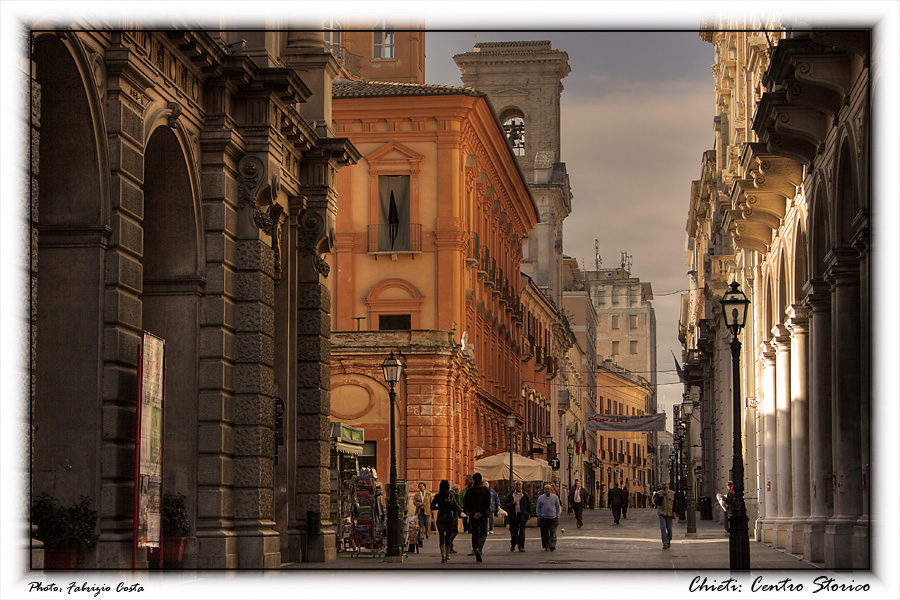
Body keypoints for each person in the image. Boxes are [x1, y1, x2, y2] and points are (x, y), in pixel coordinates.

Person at [462, 472, 492, 562]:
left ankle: (475, 548)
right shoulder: (485, 490)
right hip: (483, 514)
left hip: (473, 514)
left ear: (474, 480)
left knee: (474, 532)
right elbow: (487, 503)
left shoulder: (470, 490)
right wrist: (483, 512)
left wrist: (469, 512)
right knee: (483, 532)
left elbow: (465, 503)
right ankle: (479, 547)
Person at [431, 479, 463, 563]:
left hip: (440, 517)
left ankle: (443, 555)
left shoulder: (437, 496)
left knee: (441, 536)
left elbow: (432, 507)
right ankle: (448, 554)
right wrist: (461, 512)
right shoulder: (450, 495)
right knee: (448, 535)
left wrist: (440, 507)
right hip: (449, 517)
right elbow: (455, 506)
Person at [503, 480, 532, 552]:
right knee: (514, 532)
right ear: (514, 486)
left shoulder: (525, 495)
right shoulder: (510, 495)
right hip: (513, 515)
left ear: (522, 486)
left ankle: (521, 547)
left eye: (519, 485)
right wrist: (512, 504)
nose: (518, 486)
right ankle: (513, 544)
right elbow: (506, 504)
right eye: (517, 485)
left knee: (522, 532)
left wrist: (528, 514)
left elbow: (529, 505)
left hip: (522, 515)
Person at [536, 484, 561, 551]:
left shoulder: (555, 497)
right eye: (546, 489)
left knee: (553, 532)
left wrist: (557, 516)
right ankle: (546, 546)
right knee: (544, 533)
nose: (547, 490)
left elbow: (558, 507)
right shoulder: (541, 498)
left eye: (548, 489)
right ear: (544, 490)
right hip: (544, 517)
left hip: (553, 518)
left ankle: (552, 545)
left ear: (551, 490)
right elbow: (538, 507)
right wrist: (539, 515)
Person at [654, 481, 677, 549]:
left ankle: (668, 540)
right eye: (663, 488)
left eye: (666, 488)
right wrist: (662, 496)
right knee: (663, 528)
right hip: (662, 513)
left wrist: (674, 512)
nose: (665, 489)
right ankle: (665, 543)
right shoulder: (659, 494)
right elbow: (657, 502)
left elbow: (675, 503)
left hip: (669, 513)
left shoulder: (672, 493)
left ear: (668, 487)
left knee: (669, 529)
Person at [449, 484, 462, 553]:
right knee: (454, 531)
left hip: (447, 514)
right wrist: (461, 512)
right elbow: (456, 505)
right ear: (456, 489)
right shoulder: (455, 495)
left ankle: (450, 547)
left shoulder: (448, 494)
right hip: (453, 515)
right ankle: (448, 542)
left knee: (450, 531)